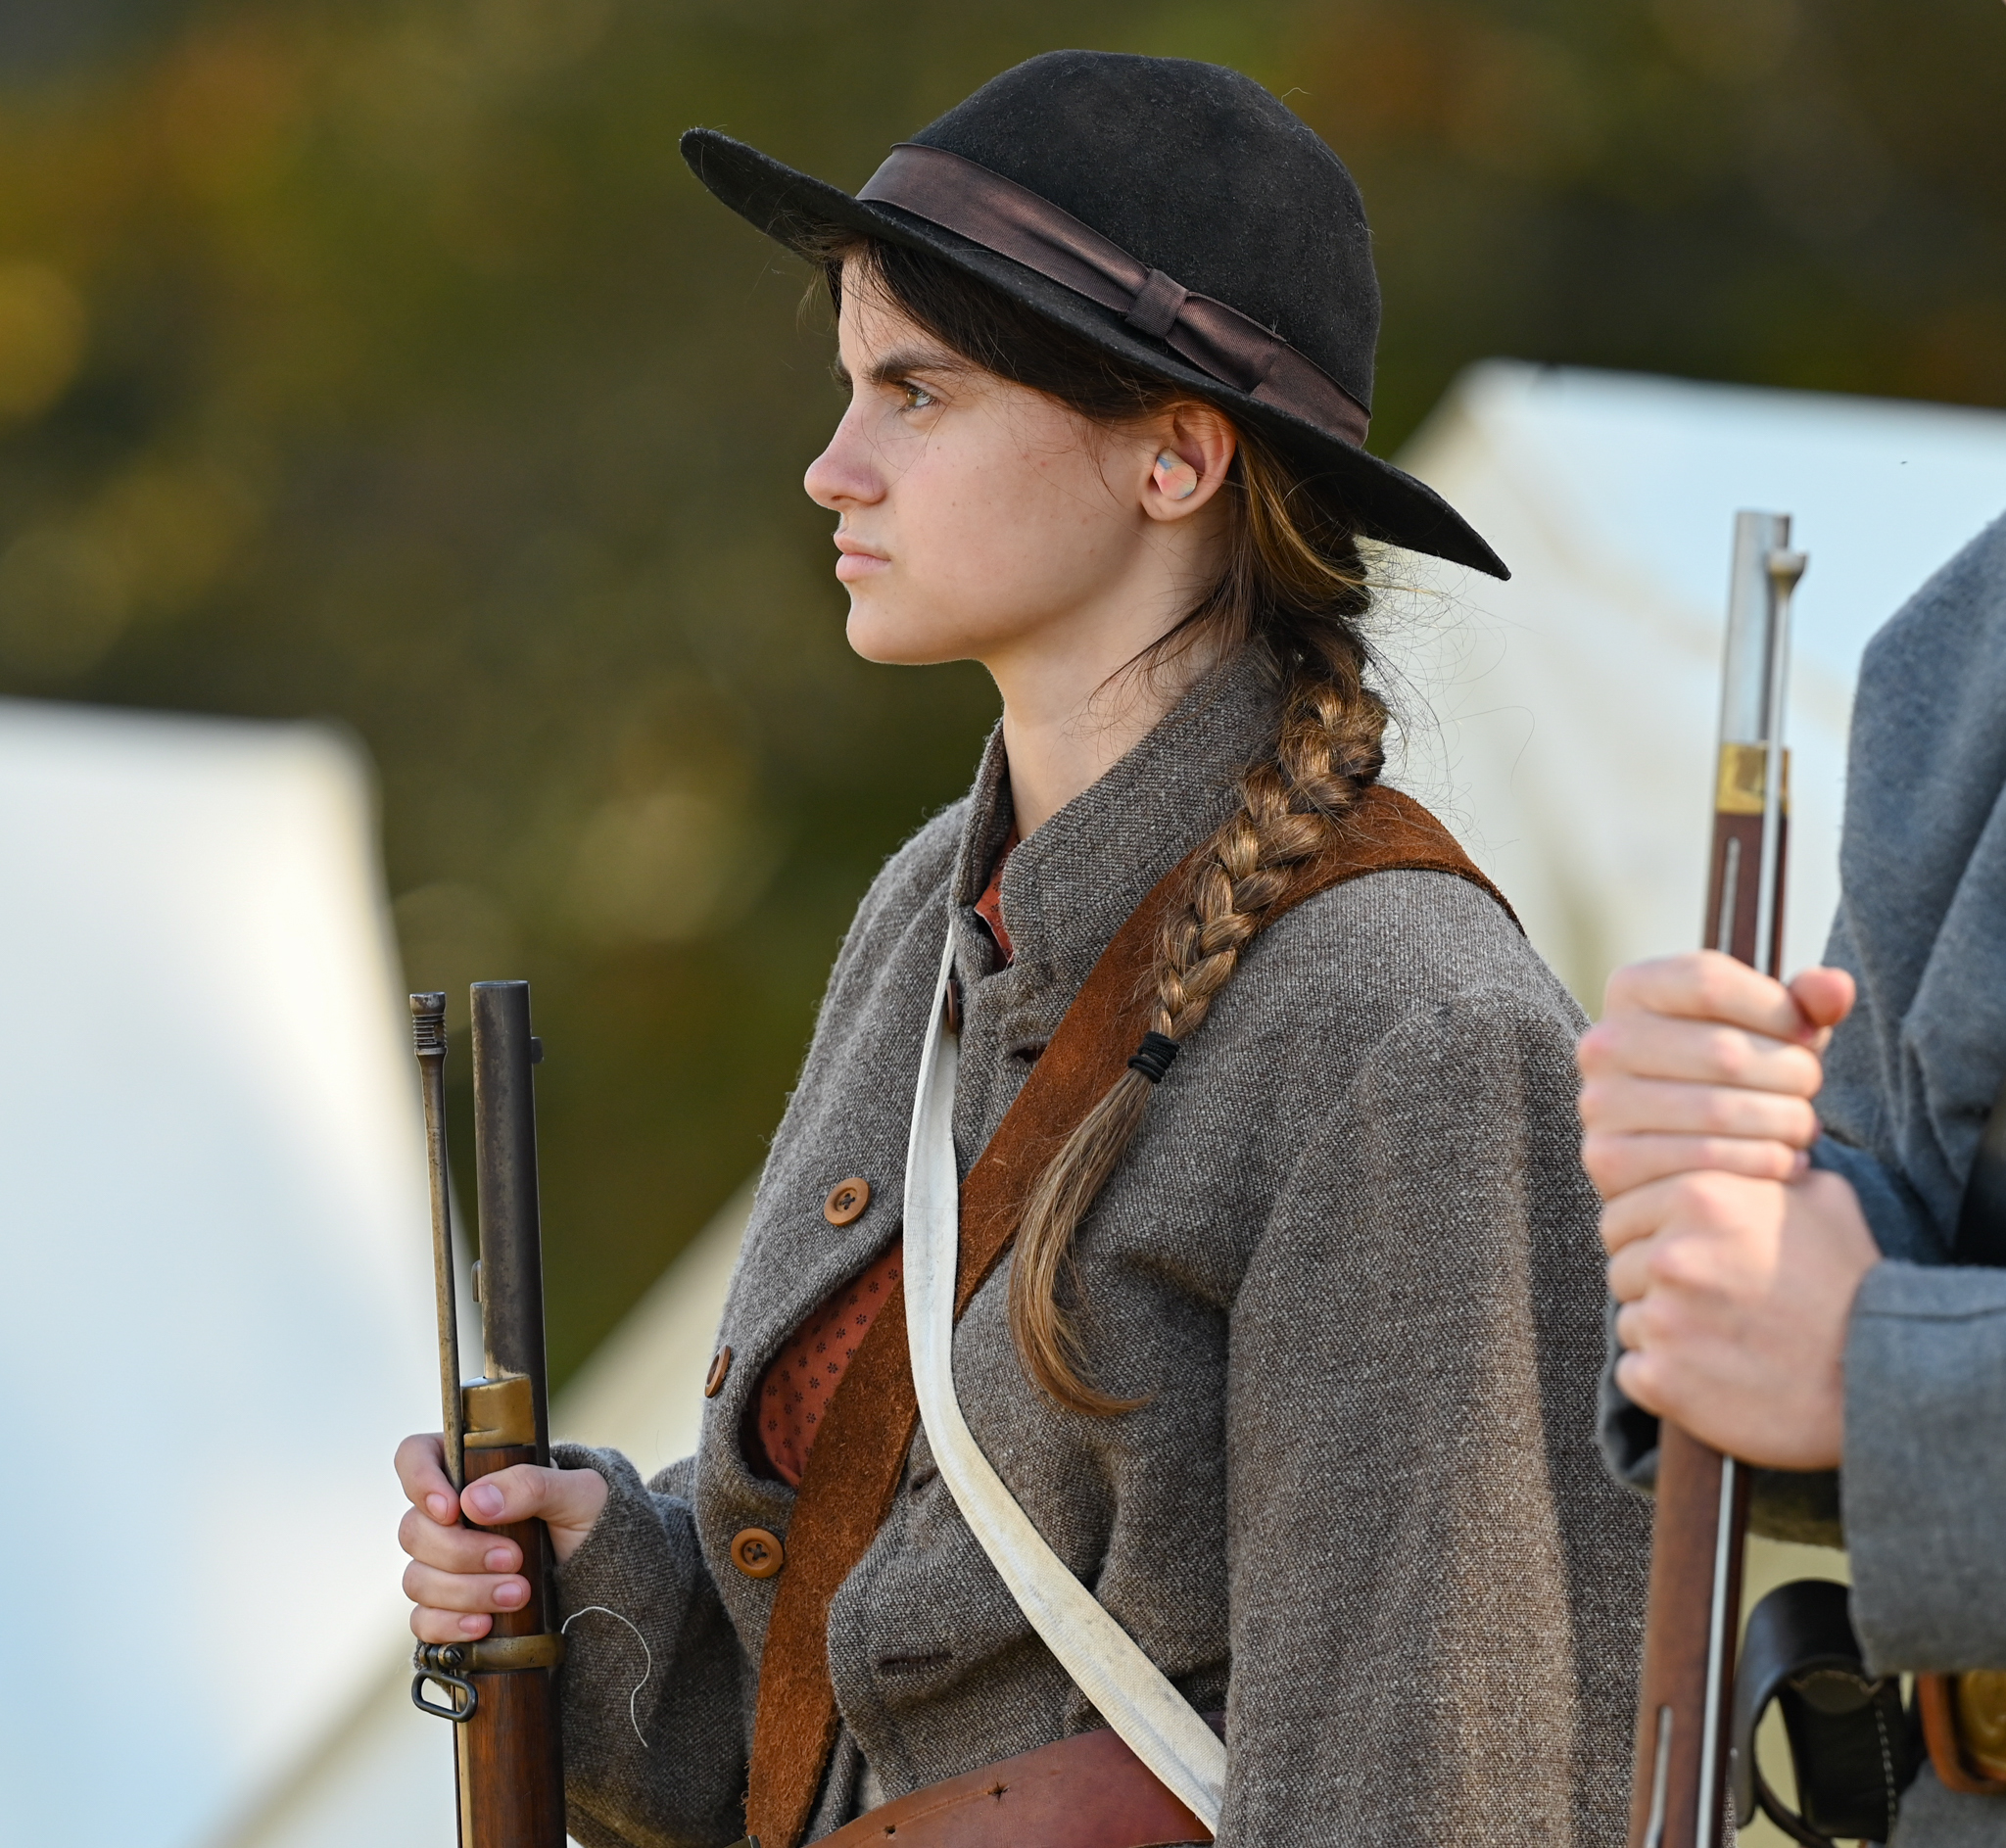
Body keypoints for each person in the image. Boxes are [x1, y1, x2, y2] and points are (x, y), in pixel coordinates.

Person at [396, 51, 1648, 1848]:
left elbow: (1450, 1777)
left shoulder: (1409, 1027)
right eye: (850, 389)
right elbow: (846, 1722)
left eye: (917, 392)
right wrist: (599, 1582)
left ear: (1175, 456)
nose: (833, 468)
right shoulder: (933, 909)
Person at [1582, 509, 2006, 1845]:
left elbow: (1882, 1337)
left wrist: (1896, 1370)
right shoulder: (1971, 626)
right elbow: (1910, 1190)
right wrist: (1740, 1190)